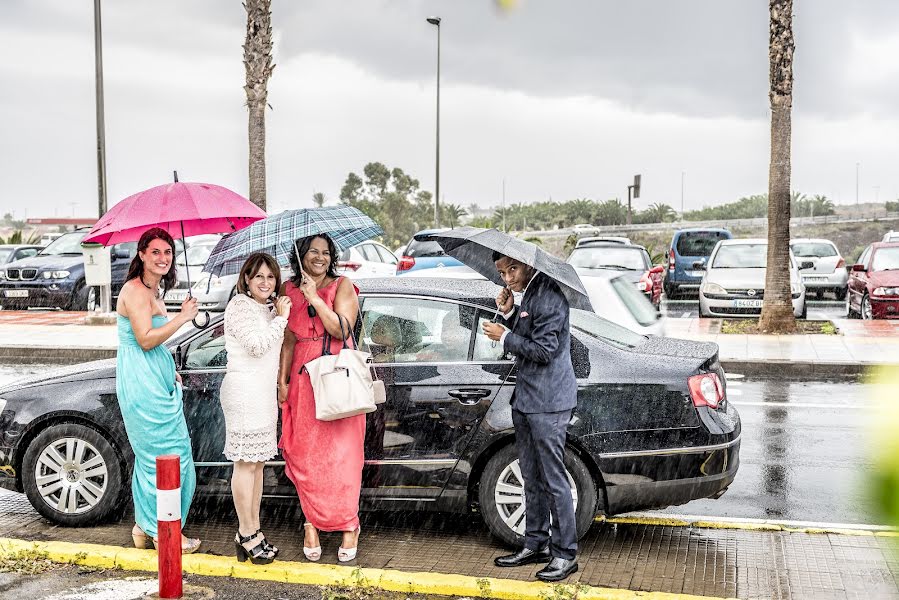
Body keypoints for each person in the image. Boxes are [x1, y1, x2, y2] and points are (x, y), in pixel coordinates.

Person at [482, 252, 579, 582]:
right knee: (531, 476)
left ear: (529, 265)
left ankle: (565, 554)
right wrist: (510, 314)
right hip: (526, 400)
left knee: (554, 480)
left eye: (513, 268)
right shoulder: (531, 294)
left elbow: (544, 350)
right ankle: (535, 542)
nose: (507, 277)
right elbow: (530, 335)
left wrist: (505, 336)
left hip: (549, 403)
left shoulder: (548, 295)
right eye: (502, 271)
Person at [278, 233, 364, 562]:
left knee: (342, 459)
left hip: (336, 381)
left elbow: (342, 330)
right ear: (300, 255)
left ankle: (348, 526)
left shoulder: (342, 285)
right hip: (302, 384)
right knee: (306, 457)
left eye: (326, 253)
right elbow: (287, 340)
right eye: (313, 251)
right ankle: (311, 522)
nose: (320, 258)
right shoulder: (287, 290)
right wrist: (281, 382)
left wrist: (315, 298)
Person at [116, 227, 201, 554]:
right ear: (141, 255)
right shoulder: (135, 291)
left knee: (154, 458)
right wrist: (182, 318)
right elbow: (145, 339)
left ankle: (144, 526)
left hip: (156, 377)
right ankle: (165, 532)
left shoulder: (153, 290)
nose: (163, 258)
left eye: (167, 252)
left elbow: (156, 344)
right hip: (141, 381)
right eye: (155, 252)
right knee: (168, 458)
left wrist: (169, 371)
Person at [220, 252, 292, 564]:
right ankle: (246, 532)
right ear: (247, 280)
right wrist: (282, 319)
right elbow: (256, 346)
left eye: (271, 277)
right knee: (244, 463)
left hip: (262, 393)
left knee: (259, 464)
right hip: (243, 392)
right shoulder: (239, 305)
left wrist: (277, 314)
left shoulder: (267, 308)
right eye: (258, 276)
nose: (265, 282)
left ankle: (254, 530)